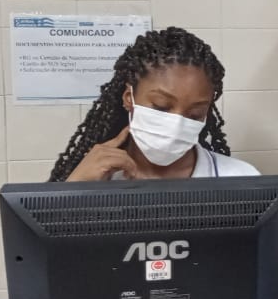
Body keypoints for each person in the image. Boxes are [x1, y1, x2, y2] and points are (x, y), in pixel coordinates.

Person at [49, 27, 258, 182]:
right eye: (161, 106)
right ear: (129, 97)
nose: (176, 125)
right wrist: (75, 189)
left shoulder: (240, 178)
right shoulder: (95, 177)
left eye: (195, 114)